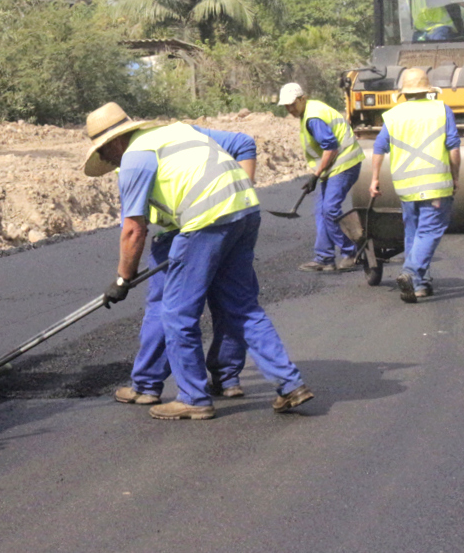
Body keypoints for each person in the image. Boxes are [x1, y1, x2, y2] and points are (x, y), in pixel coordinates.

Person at [84, 102, 312, 420]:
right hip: (244, 210)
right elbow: (240, 145)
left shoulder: (135, 159)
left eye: (104, 152)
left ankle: (193, 397)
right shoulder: (175, 132)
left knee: (177, 313)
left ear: (115, 142)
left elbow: (134, 229)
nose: (106, 161)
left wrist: (123, 279)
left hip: (205, 220)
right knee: (242, 307)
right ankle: (291, 386)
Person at [369, 69, 461, 303]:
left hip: (406, 185)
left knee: (413, 232)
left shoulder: (393, 114)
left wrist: (374, 179)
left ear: (405, 93)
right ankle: (410, 272)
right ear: (427, 90)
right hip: (435, 185)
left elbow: (379, 147)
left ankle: (419, 285)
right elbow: (454, 147)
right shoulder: (441, 109)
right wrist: (455, 176)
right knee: (430, 231)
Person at [279, 82, 365, 272]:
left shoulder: (313, 117)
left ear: (302, 99)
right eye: (286, 106)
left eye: (292, 104)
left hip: (344, 163)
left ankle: (351, 251)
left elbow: (331, 147)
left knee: (329, 210)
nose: (290, 109)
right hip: (333, 166)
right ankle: (325, 257)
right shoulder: (310, 111)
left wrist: (315, 175)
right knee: (321, 211)